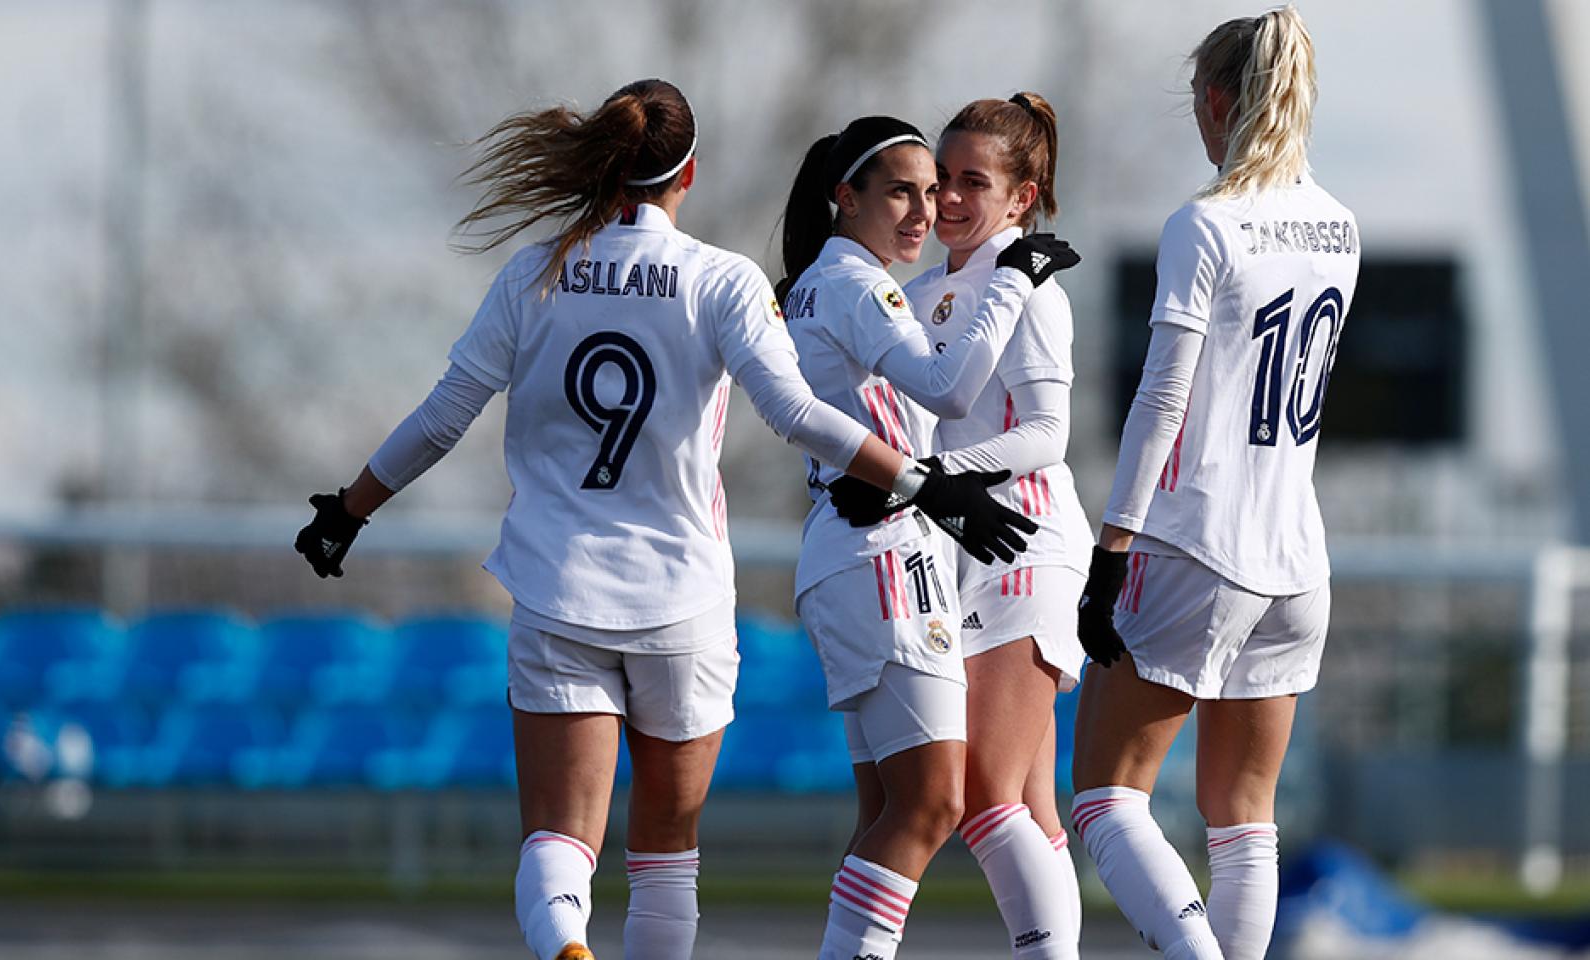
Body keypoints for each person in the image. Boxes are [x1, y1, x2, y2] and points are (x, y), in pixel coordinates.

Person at [291, 80, 1034, 960]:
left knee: (561, 841)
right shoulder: (720, 279)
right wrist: (920, 480)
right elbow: (799, 415)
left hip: (556, 589)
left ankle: (566, 938)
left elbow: (445, 416)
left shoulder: (536, 271)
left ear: (606, 166)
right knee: (666, 857)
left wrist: (349, 510)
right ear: (690, 176)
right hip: (682, 602)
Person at [1070, 9, 1359, 960]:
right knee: (1244, 821)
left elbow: (1163, 400)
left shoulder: (1206, 224)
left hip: (1197, 543)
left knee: (1107, 798)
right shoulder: (1340, 226)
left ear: (1222, 101)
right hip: (1296, 561)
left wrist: (1112, 546)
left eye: (1199, 98)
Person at [778, 115, 1080, 960]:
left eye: (941, 186)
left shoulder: (820, 282)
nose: (929, 207)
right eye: (906, 190)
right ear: (847, 198)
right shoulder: (860, 283)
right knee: (938, 806)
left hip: (853, 548)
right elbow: (949, 392)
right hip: (880, 554)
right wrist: (1012, 279)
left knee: (898, 810)